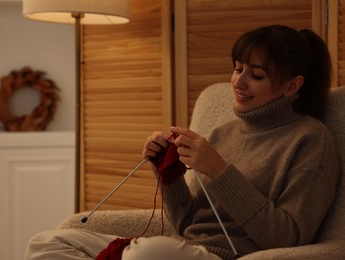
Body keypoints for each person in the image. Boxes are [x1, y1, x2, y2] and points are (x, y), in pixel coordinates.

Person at [24, 24, 340, 260]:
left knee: (145, 253)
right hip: (184, 249)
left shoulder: (310, 140)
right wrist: (168, 175)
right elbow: (189, 224)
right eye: (237, 69)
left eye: (255, 75)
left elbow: (288, 237)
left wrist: (219, 171)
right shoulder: (222, 134)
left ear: (291, 86)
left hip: (230, 256)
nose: (238, 83)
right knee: (47, 242)